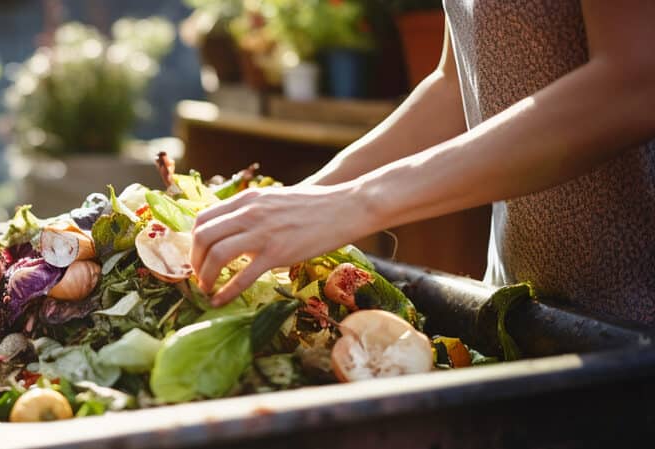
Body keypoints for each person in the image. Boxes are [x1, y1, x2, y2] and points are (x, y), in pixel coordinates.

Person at [190, 1, 655, 327]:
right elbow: (455, 86)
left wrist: (358, 202)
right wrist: (311, 195)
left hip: (636, 322)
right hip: (529, 304)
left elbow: (636, 82)